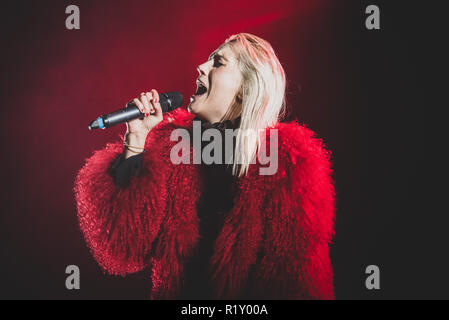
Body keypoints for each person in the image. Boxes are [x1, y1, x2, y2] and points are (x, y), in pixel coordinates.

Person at [74, 33, 336, 299]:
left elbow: (297, 283)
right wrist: (137, 138)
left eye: (218, 62)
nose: (201, 67)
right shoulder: (172, 147)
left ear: (245, 90)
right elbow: (123, 245)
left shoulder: (287, 165)